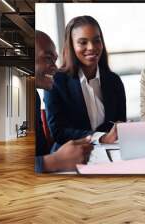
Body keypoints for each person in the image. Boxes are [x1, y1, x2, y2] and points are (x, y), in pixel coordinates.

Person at [44, 16, 126, 152]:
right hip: (69, 154)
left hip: (109, 151)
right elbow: (58, 132)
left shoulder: (114, 81)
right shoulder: (56, 81)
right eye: (83, 42)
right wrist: (100, 138)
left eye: (96, 41)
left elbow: (119, 125)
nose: (91, 47)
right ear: (71, 45)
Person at [35, 30, 92, 173]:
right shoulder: (57, 83)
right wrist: (53, 161)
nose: (54, 67)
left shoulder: (33, 97)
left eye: (55, 59)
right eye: (48, 58)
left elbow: (40, 153)